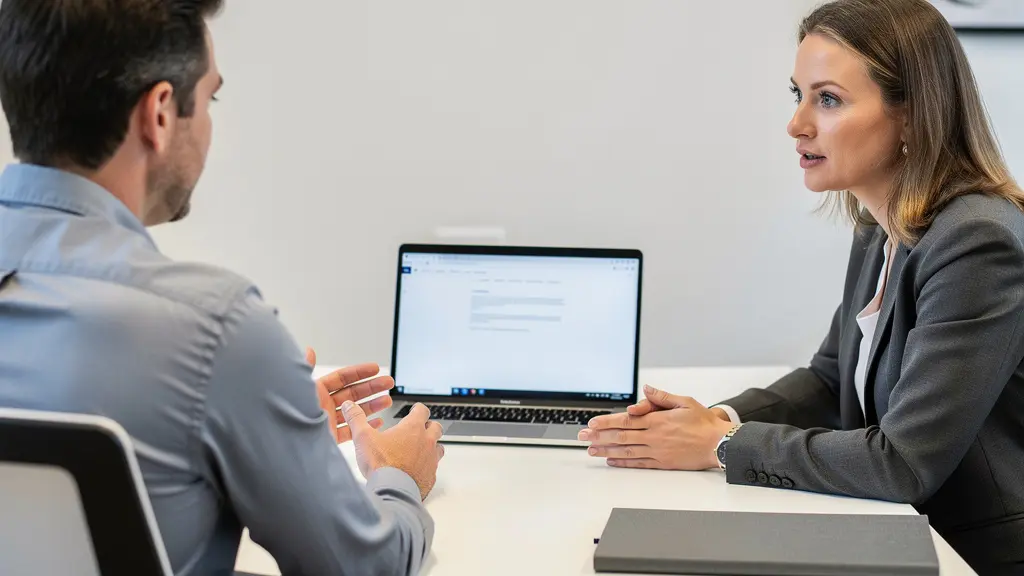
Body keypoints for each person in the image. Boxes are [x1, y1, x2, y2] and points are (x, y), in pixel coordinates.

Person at [0, 1, 444, 574]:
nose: (209, 127)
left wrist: (259, 424)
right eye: (211, 99)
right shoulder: (213, 330)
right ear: (159, 114)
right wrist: (398, 479)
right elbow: (364, 567)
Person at [580, 0, 1024, 572]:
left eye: (829, 99)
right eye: (800, 94)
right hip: (898, 532)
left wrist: (717, 447)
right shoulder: (881, 223)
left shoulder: (977, 243)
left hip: (973, 552)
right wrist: (714, 419)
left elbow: (903, 463)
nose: (798, 124)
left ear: (913, 115)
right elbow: (828, 379)